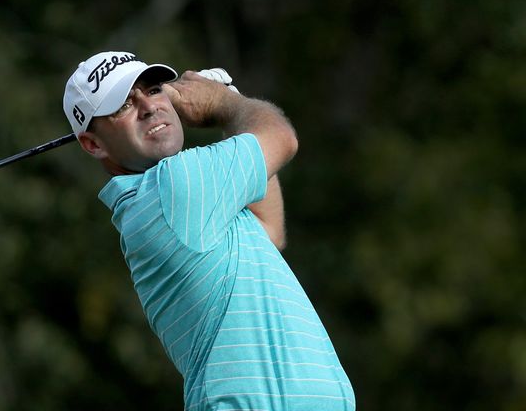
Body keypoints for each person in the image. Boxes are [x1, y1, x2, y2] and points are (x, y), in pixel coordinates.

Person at [63, 51, 355, 410]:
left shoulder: (187, 203)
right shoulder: (172, 187)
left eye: (153, 89)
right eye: (123, 105)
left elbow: (269, 229)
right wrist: (224, 102)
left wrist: (230, 107)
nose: (150, 106)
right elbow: (281, 137)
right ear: (93, 143)